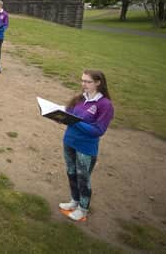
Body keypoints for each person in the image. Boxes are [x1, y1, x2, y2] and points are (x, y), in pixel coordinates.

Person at [58, 70, 114, 222]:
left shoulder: (105, 105)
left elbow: (98, 130)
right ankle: (74, 201)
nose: (84, 84)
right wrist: (59, 116)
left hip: (86, 148)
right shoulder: (80, 98)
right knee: (71, 173)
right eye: (82, 80)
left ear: (98, 83)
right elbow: (68, 114)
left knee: (83, 178)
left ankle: (83, 209)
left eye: (88, 82)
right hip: (69, 141)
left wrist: (75, 121)